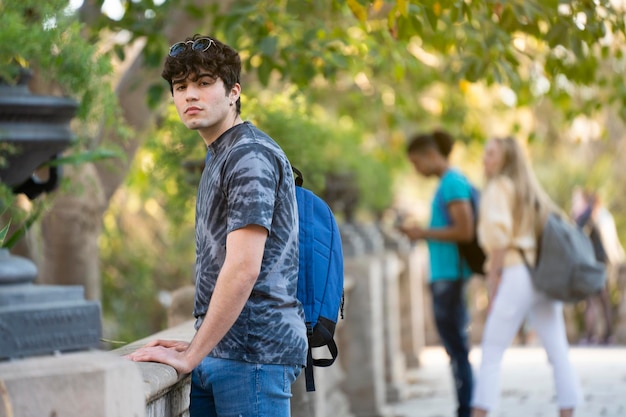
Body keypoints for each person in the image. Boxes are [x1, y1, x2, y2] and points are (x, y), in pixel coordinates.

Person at [126, 34, 307, 417]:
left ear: (233, 92)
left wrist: (193, 353)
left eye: (204, 83)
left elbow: (244, 267)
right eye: (181, 87)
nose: (190, 95)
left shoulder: (248, 155)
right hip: (224, 352)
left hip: (253, 357)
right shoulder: (221, 153)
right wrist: (199, 342)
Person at [471, 137, 581, 417]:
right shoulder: (529, 192)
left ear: (505, 159)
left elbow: (498, 240)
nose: (486, 159)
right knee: (558, 351)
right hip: (541, 273)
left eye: (492, 154)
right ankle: (568, 412)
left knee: (492, 351)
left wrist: (493, 285)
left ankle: (480, 413)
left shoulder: (498, 188)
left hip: (515, 271)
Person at [398, 129, 475, 417]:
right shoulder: (447, 183)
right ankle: (465, 407)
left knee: (457, 351)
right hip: (444, 276)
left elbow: (464, 230)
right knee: (455, 350)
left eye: (417, 162)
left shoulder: (453, 182)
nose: (416, 169)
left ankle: (467, 409)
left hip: (451, 277)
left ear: (431, 155)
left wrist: (421, 232)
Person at [573, 189, 624, 345]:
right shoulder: (602, 216)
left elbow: (577, 227)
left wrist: (583, 211)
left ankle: (602, 335)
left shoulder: (597, 216)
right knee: (597, 301)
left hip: (600, 264)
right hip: (601, 263)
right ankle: (598, 335)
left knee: (598, 300)